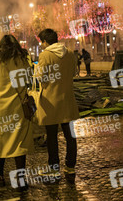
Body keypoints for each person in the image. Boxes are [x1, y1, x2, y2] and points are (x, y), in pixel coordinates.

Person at [0, 35, 34, 190]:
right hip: (18, 108)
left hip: (0, 109)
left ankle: (0, 177)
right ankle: (20, 179)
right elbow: (30, 79)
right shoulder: (22, 61)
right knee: (19, 142)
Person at [35, 29, 79, 183]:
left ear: (45, 42)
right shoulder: (69, 53)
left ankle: (53, 168)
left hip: (51, 102)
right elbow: (74, 72)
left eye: (41, 42)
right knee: (70, 136)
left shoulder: (45, 55)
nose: (41, 45)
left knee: (52, 137)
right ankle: (70, 167)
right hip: (67, 100)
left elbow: (40, 77)